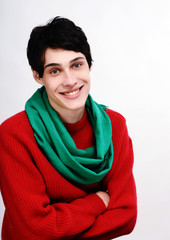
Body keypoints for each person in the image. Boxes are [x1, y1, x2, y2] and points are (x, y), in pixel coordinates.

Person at [0, 16, 137, 240]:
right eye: (55, 71)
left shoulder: (115, 126)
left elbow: (126, 215)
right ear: (38, 76)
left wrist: (53, 229)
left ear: (89, 65)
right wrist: (99, 201)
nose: (70, 80)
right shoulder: (14, 134)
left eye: (76, 65)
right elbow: (34, 230)